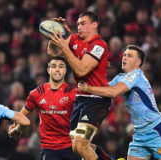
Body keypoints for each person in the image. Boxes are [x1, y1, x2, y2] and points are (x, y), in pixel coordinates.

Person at [78, 45, 161, 160]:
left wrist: (87, 88)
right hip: (140, 134)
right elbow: (102, 90)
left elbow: (113, 92)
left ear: (138, 62)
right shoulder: (120, 78)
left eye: (129, 56)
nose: (124, 58)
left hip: (157, 129)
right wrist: (97, 69)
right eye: (124, 55)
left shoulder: (137, 75)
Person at [49, 11, 113, 160]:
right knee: (78, 147)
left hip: (97, 98)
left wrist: (65, 47)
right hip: (80, 99)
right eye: (78, 24)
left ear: (94, 25)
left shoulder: (99, 45)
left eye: (83, 23)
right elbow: (52, 52)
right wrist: (56, 33)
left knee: (80, 145)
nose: (79, 27)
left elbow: (81, 70)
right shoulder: (75, 39)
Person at [8, 57, 81, 160]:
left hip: (70, 146)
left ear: (65, 71)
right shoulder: (36, 93)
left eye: (61, 66)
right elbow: (22, 115)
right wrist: (15, 126)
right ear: (48, 70)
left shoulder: (73, 94)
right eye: (54, 66)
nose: (57, 69)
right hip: (49, 147)